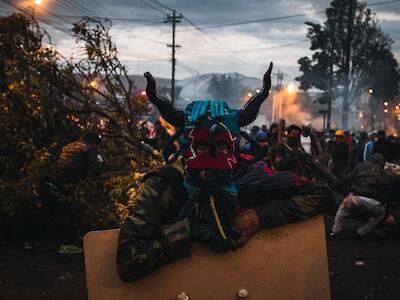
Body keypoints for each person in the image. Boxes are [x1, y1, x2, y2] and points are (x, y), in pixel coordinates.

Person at [116, 65, 334, 282]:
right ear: (187, 146)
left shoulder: (250, 175)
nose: (213, 154)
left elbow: (322, 196)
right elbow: (128, 262)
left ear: (234, 145)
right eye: (202, 145)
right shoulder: (164, 186)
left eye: (221, 145)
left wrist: (259, 216)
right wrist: (187, 229)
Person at [24, 131, 106, 253]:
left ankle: (31, 241)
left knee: (44, 214)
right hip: (64, 188)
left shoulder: (70, 147)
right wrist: (103, 165)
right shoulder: (89, 149)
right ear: (95, 143)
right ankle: (67, 244)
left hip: (51, 184)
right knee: (73, 215)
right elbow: (97, 169)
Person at [330, 154, 396, 237]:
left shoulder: (361, 166)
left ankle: (335, 231)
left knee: (343, 209)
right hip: (376, 203)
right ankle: (361, 232)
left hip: (358, 198)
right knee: (379, 214)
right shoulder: (387, 174)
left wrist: (333, 185)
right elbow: (388, 195)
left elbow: (347, 178)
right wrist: (389, 213)